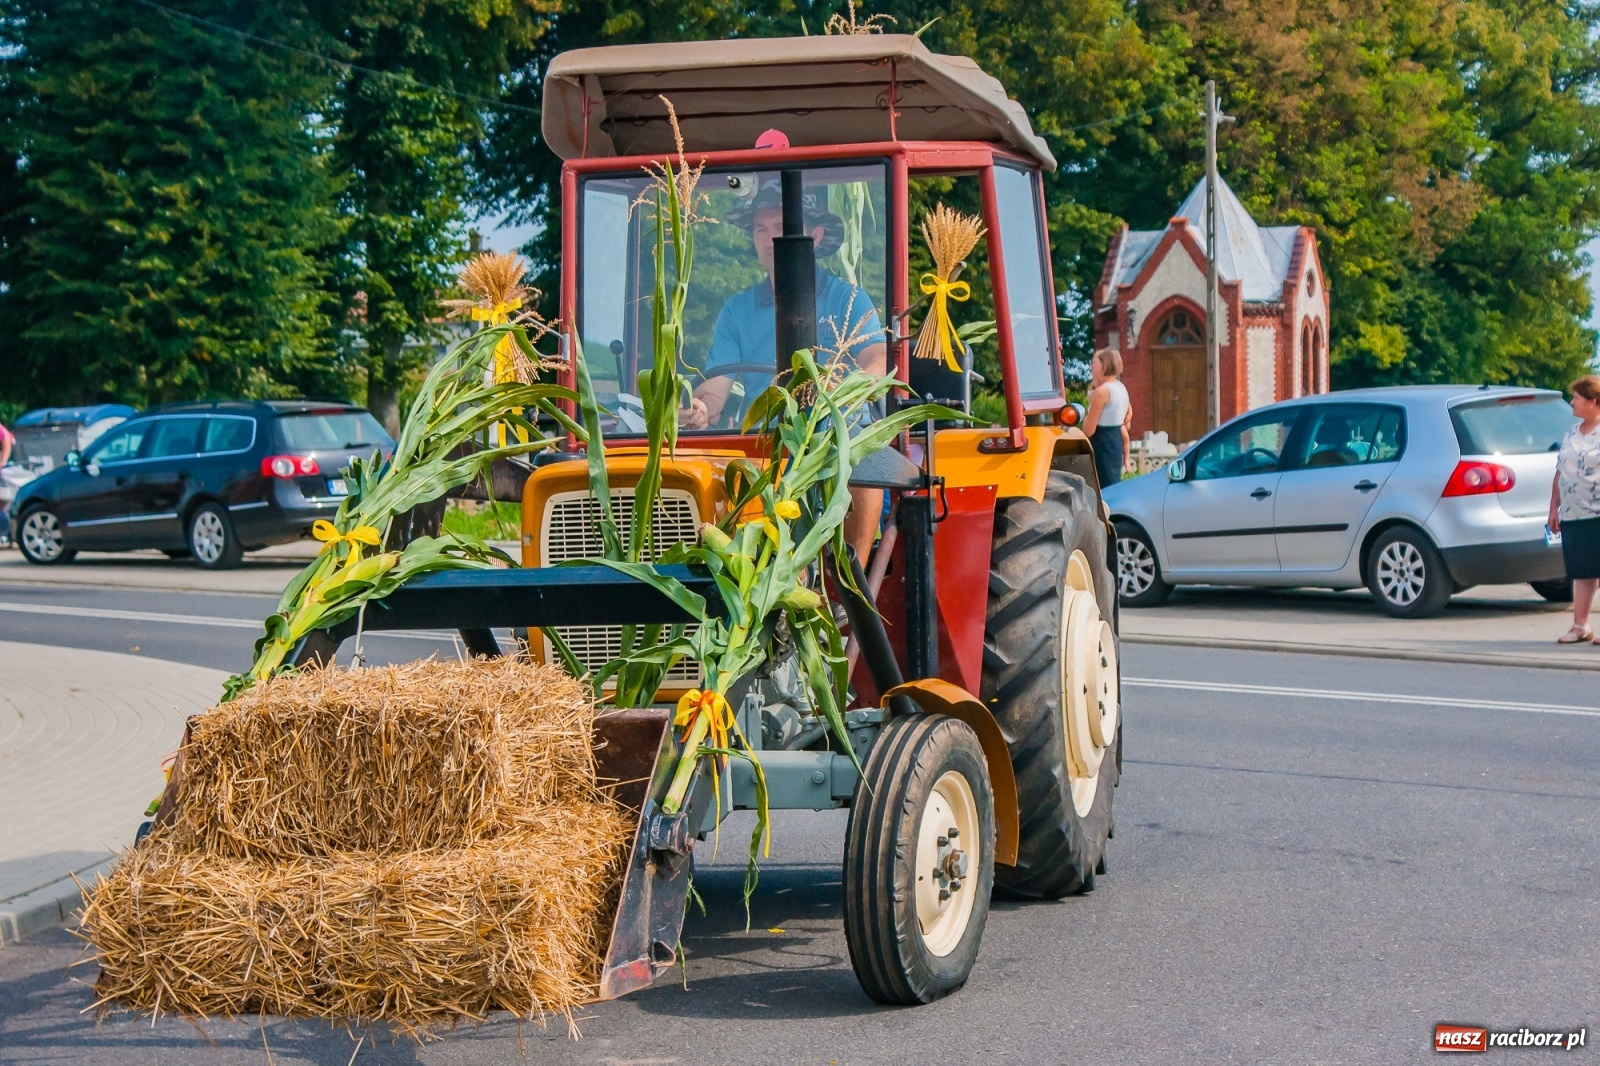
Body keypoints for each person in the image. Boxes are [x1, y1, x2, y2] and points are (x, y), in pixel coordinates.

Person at [680, 179, 887, 562]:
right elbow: (715, 390)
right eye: (761, 229)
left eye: (781, 229)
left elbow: (877, 358)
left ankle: (852, 582)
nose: (769, 239)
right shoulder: (736, 310)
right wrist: (702, 409)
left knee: (860, 447)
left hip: (829, 436)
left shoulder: (847, 299)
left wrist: (844, 389)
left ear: (815, 234)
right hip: (764, 445)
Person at [1551, 374, 1600, 643]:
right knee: (1581, 570)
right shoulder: (1571, 432)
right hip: (1573, 512)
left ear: (1592, 402)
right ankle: (1580, 626)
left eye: (1576, 398)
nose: (1572, 402)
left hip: (1598, 511)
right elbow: (1560, 471)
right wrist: (1553, 508)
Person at [1082, 347, 1132, 489]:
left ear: (1104, 364)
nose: (1092, 366)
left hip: (1101, 442)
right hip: (1114, 440)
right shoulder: (1120, 387)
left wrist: (1086, 414)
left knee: (1102, 488)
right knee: (1112, 485)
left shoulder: (1102, 392)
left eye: (1094, 362)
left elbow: (1088, 430)